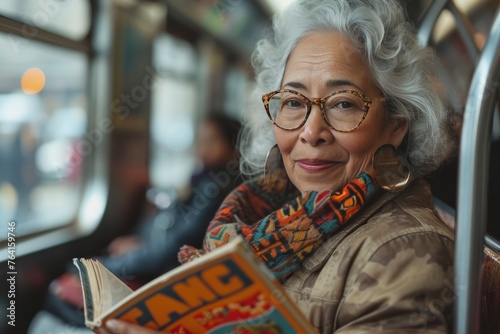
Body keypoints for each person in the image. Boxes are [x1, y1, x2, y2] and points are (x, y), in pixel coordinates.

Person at [96, 0, 456, 333]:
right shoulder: (272, 211)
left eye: (344, 104)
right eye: (294, 102)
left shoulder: (403, 252)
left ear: (396, 124)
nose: (311, 131)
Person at [28, 114, 242, 333]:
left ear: (232, 146)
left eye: (212, 140)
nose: (202, 147)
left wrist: (105, 267)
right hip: (156, 265)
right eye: (201, 139)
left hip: (163, 277)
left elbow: (169, 252)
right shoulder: (203, 182)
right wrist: (140, 243)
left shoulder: (215, 190)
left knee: (57, 293)